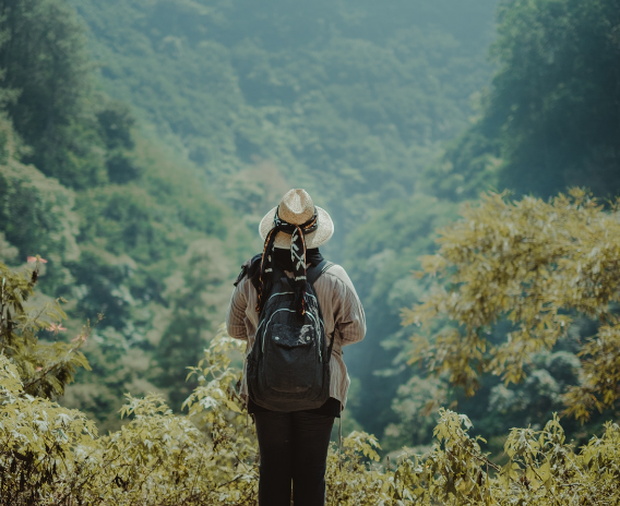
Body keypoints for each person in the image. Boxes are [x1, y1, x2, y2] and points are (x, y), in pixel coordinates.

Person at [226, 188, 366, 506]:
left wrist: (267, 342)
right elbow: (356, 332)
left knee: (272, 472)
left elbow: (234, 329)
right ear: (317, 234)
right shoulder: (335, 277)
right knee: (311, 474)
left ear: (274, 232)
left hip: (266, 387)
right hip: (322, 388)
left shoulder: (253, 276)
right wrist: (320, 344)